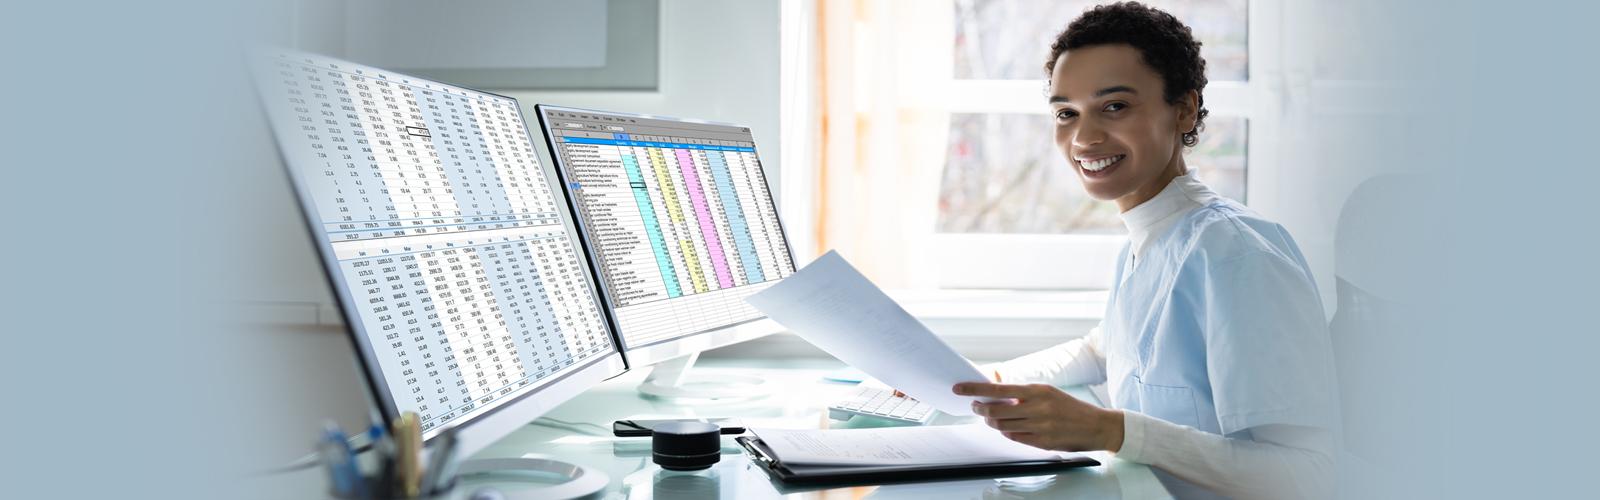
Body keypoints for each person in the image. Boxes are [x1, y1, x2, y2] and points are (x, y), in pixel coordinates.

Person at [947, 3, 1340, 499]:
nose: (1084, 137)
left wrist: (1111, 430)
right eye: (1066, 113)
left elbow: (1310, 475)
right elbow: (1107, 346)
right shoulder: (1152, 235)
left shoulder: (1237, 256)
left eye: (1115, 106)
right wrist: (988, 381)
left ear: (1185, 109)